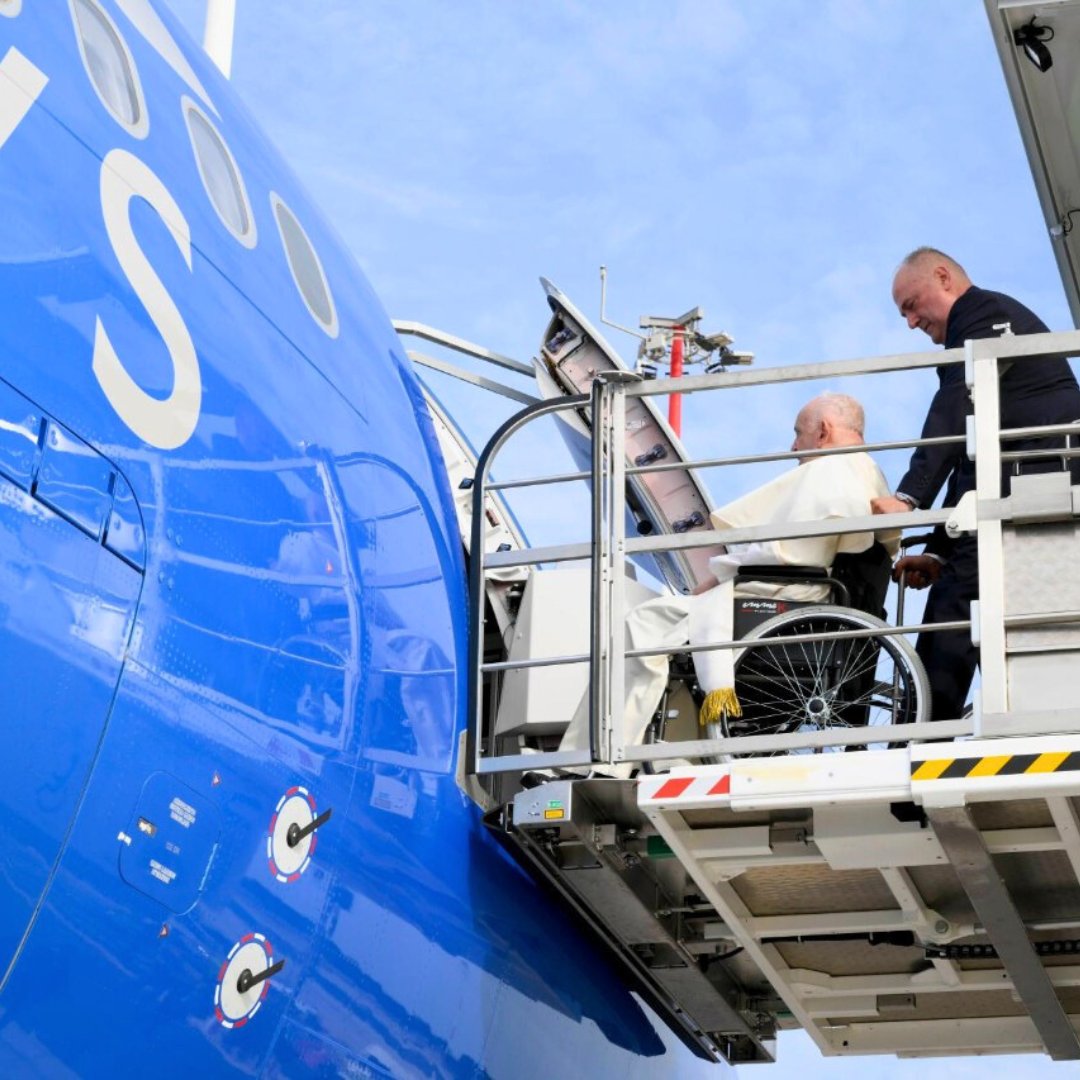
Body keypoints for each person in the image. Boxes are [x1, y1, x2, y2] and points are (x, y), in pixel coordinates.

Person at [558, 392, 900, 771]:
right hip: (816, 603)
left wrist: (722, 574)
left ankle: (598, 757)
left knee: (645, 623)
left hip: (782, 598)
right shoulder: (869, 474)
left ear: (822, 432)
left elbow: (783, 555)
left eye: (798, 433)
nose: (792, 445)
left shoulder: (828, 471)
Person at [871, 247, 1080, 721]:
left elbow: (953, 409)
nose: (909, 322)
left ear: (943, 277)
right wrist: (941, 548)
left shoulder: (981, 313)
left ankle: (921, 747)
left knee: (952, 618)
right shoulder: (980, 332)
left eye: (910, 304)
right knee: (958, 600)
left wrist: (909, 497)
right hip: (1020, 483)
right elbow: (974, 460)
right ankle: (929, 733)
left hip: (1037, 481)